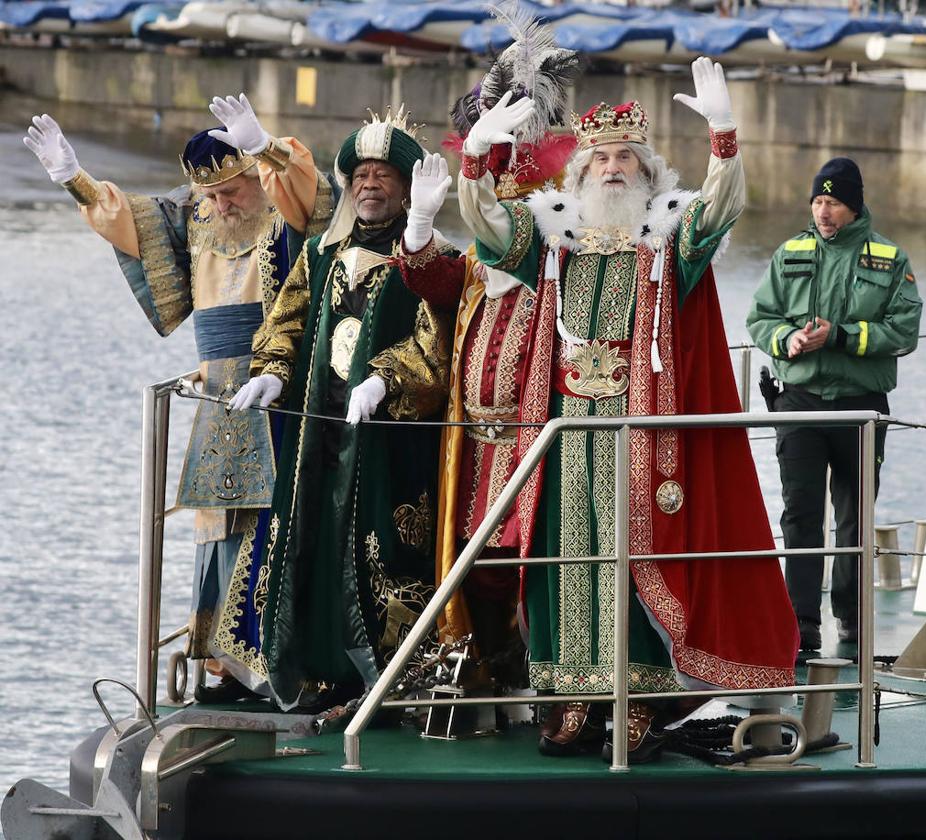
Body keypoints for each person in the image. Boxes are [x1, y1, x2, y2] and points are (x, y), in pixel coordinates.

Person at [457, 57, 800, 762]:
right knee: (563, 559)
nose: (612, 168)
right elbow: (489, 229)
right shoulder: (553, 238)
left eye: (624, 158)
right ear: (577, 175)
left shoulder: (668, 241)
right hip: (561, 433)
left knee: (634, 559)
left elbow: (721, 208)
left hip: (639, 437)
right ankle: (570, 697)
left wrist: (725, 137)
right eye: (600, 158)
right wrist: (472, 161)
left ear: (646, 173)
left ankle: (636, 698)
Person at [23, 101, 333, 701]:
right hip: (218, 391)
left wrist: (267, 143)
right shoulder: (194, 216)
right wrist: (73, 178)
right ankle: (221, 663)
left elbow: (310, 189)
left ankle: (275, 665)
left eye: (232, 190)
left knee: (273, 521)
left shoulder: (283, 211)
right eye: (211, 195)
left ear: (253, 177)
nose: (222, 205)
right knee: (214, 529)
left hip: (279, 382)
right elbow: (132, 222)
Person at [230, 109, 459, 710]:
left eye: (383, 175)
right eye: (360, 175)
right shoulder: (319, 254)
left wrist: (385, 380)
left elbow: (437, 346)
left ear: (407, 189)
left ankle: (390, 680)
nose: (369, 185)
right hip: (319, 433)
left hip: (387, 439)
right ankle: (320, 670)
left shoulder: (429, 259)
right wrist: (272, 375)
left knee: (379, 546)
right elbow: (285, 321)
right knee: (312, 540)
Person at [393, 3, 581, 692]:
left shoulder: (554, 251)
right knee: (478, 564)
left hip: (535, 439)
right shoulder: (482, 258)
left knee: (526, 560)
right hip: (473, 442)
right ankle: (489, 673)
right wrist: (417, 227)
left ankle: (544, 678)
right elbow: (440, 283)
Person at [746, 157, 923, 655]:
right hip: (799, 403)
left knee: (853, 514)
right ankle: (801, 624)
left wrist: (842, 337)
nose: (824, 212)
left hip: (860, 407)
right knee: (800, 515)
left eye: (835, 203)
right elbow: (760, 317)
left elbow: (903, 332)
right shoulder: (790, 252)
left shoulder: (890, 258)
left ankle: (850, 615)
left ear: (855, 205)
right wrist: (788, 340)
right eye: (818, 201)